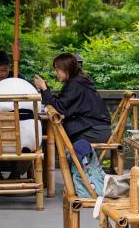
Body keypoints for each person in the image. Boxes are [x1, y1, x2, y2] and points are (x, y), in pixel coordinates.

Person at [34, 53, 111, 195]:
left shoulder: (76, 84)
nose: (56, 73)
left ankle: (80, 183)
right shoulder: (77, 82)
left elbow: (59, 107)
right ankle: (75, 182)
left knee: (59, 137)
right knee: (59, 134)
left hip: (95, 130)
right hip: (94, 127)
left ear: (67, 69)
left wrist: (44, 89)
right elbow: (62, 104)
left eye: (57, 69)